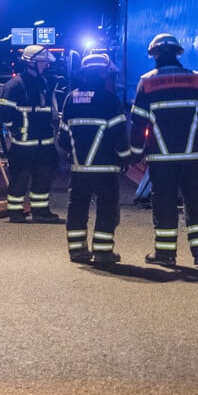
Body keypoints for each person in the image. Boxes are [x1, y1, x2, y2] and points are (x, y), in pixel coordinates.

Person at [129, 33, 198, 267]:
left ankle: (166, 254)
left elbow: (139, 123)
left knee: (165, 205)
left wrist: (136, 153)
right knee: (197, 205)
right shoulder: (195, 81)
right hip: (193, 158)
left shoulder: (146, 83)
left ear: (155, 55)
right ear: (177, 54)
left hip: (162, 159)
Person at [57, 53, 130, 264]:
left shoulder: (70, 98)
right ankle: (103, 252)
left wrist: (74, 154)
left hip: (79, 169)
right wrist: (125, 159)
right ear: (102, 72)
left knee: (77, 207)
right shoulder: (110, 100)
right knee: (107, 208)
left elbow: (62, 137)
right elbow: (119, 136)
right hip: (106, 169)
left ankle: (77, 250)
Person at [0, 44, 60, 223]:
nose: (46, 66)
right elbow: (4, 112)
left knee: (43, 178)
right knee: (20, 179)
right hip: (23, 143)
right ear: (31, 63)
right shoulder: (15, 84)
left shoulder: (44, 83)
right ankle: (15, 212)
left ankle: (40, 211)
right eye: (43, 63)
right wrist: (15, 130)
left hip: (44, 142)